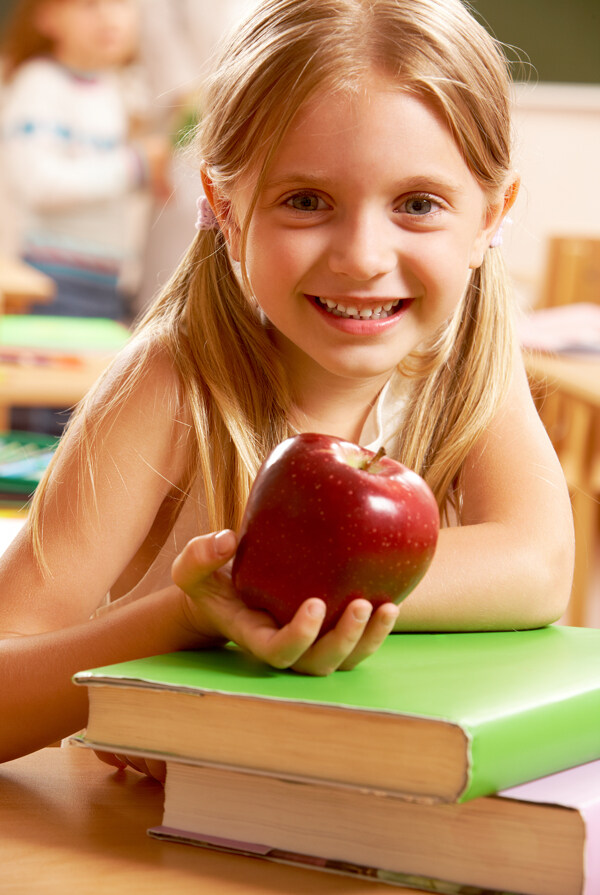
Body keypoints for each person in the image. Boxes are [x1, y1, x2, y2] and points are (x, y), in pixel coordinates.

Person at [0, 0, 574, 769]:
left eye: (418, 205)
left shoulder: (465, 357)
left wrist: (291, 583)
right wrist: (191, 616)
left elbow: (538, 565)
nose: (364, 255)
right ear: (225, 208)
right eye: (306, 201)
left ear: (491, 215)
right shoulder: (174, 381)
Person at [0, 0, 171, 323]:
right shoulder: (39, 84)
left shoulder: (123, 88)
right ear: (47, 17)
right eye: (89, 5)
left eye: (121, 5)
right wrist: (135, 165)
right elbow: (40, 185)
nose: (108, 16)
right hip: (51, 282)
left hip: (110, 282)